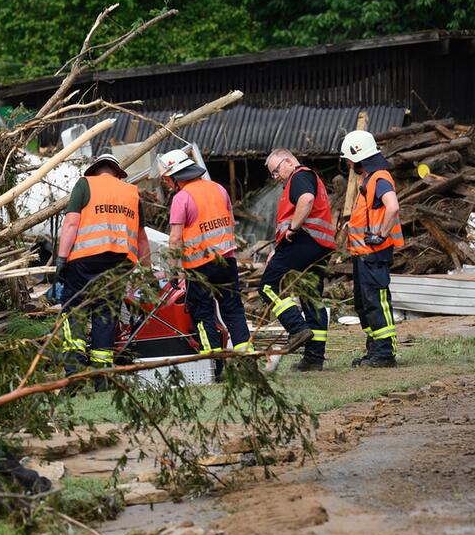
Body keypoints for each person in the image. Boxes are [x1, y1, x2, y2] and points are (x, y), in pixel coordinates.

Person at [54, 152, 150, 377]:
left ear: (95, 170)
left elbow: (71, 223)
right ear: (118, 173)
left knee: (75, 310)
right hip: (118, 264)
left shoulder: (85, 184)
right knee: (105, 314)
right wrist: (148, 271)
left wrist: (61, 259)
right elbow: (142, 237)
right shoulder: (131, 192)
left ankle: (75, 369)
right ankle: (102, 374)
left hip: (83, 262)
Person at [158, 146, 251, 377]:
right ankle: (248, 360)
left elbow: (176, 238)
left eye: (167, 180)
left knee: (203, 315)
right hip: (226, 260)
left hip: (198, 266)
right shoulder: (218, 188)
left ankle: (213, 367)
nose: (168, 185)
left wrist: (173, 271)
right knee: (233, 311)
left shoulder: (182, 198)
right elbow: (229, 222)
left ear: (173, 177)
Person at [260, 148, 336, 370]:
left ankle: (297, 328)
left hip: (303, 241)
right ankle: (314, 358)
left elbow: (307, 199)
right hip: (319, 246)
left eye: (275, 171)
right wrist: (278, 246)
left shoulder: (299, 176)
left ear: (287, 162)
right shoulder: (307, 176)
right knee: (312, 297)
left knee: (266, 286)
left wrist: (293, 228)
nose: (275, 178)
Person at [341, 130, 404, 367]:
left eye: (349, 158)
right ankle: (375, 350)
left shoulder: (380, 178)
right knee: (364, 303)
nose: (348, 163)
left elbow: (393, 207)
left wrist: (381, 235)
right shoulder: (371, 179)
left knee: (376, 301)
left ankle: (385, 353)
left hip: (374, 252)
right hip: (364, 254)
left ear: (359, 157)